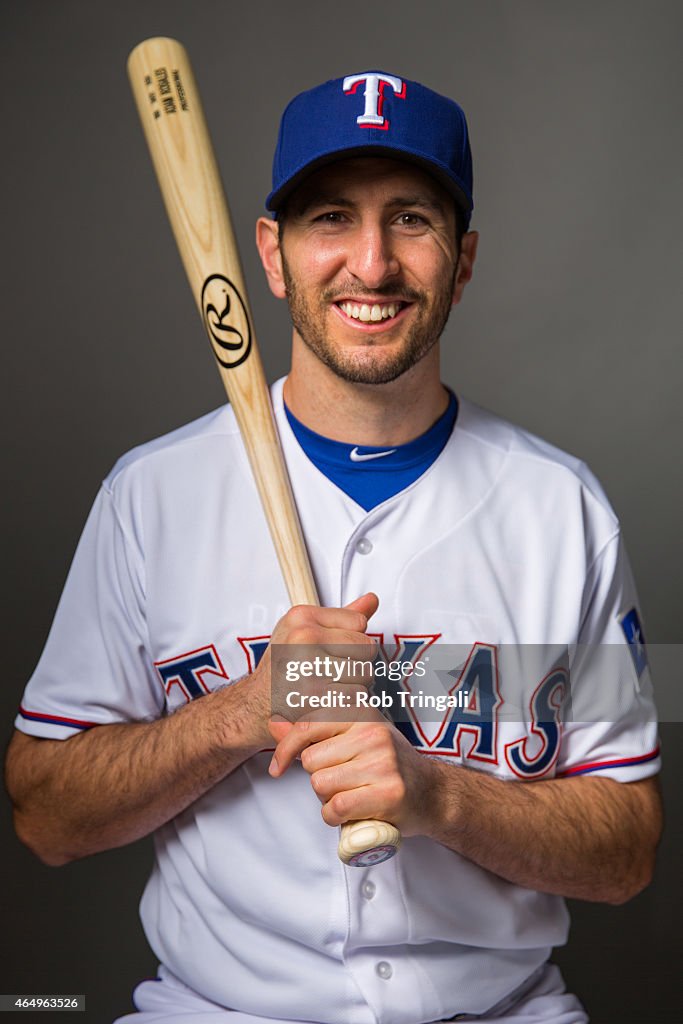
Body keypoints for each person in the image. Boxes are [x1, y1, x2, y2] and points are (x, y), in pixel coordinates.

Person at [6, 70, 662, 1024]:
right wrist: (241, 710)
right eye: (327, 218)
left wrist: (442, 797)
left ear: (463, 258)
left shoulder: (561, 511)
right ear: (269, 255)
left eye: (409, 220)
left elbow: (627, 851)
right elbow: (43, 816)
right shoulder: (150, 495)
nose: (371, 262)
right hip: (215, 1010)